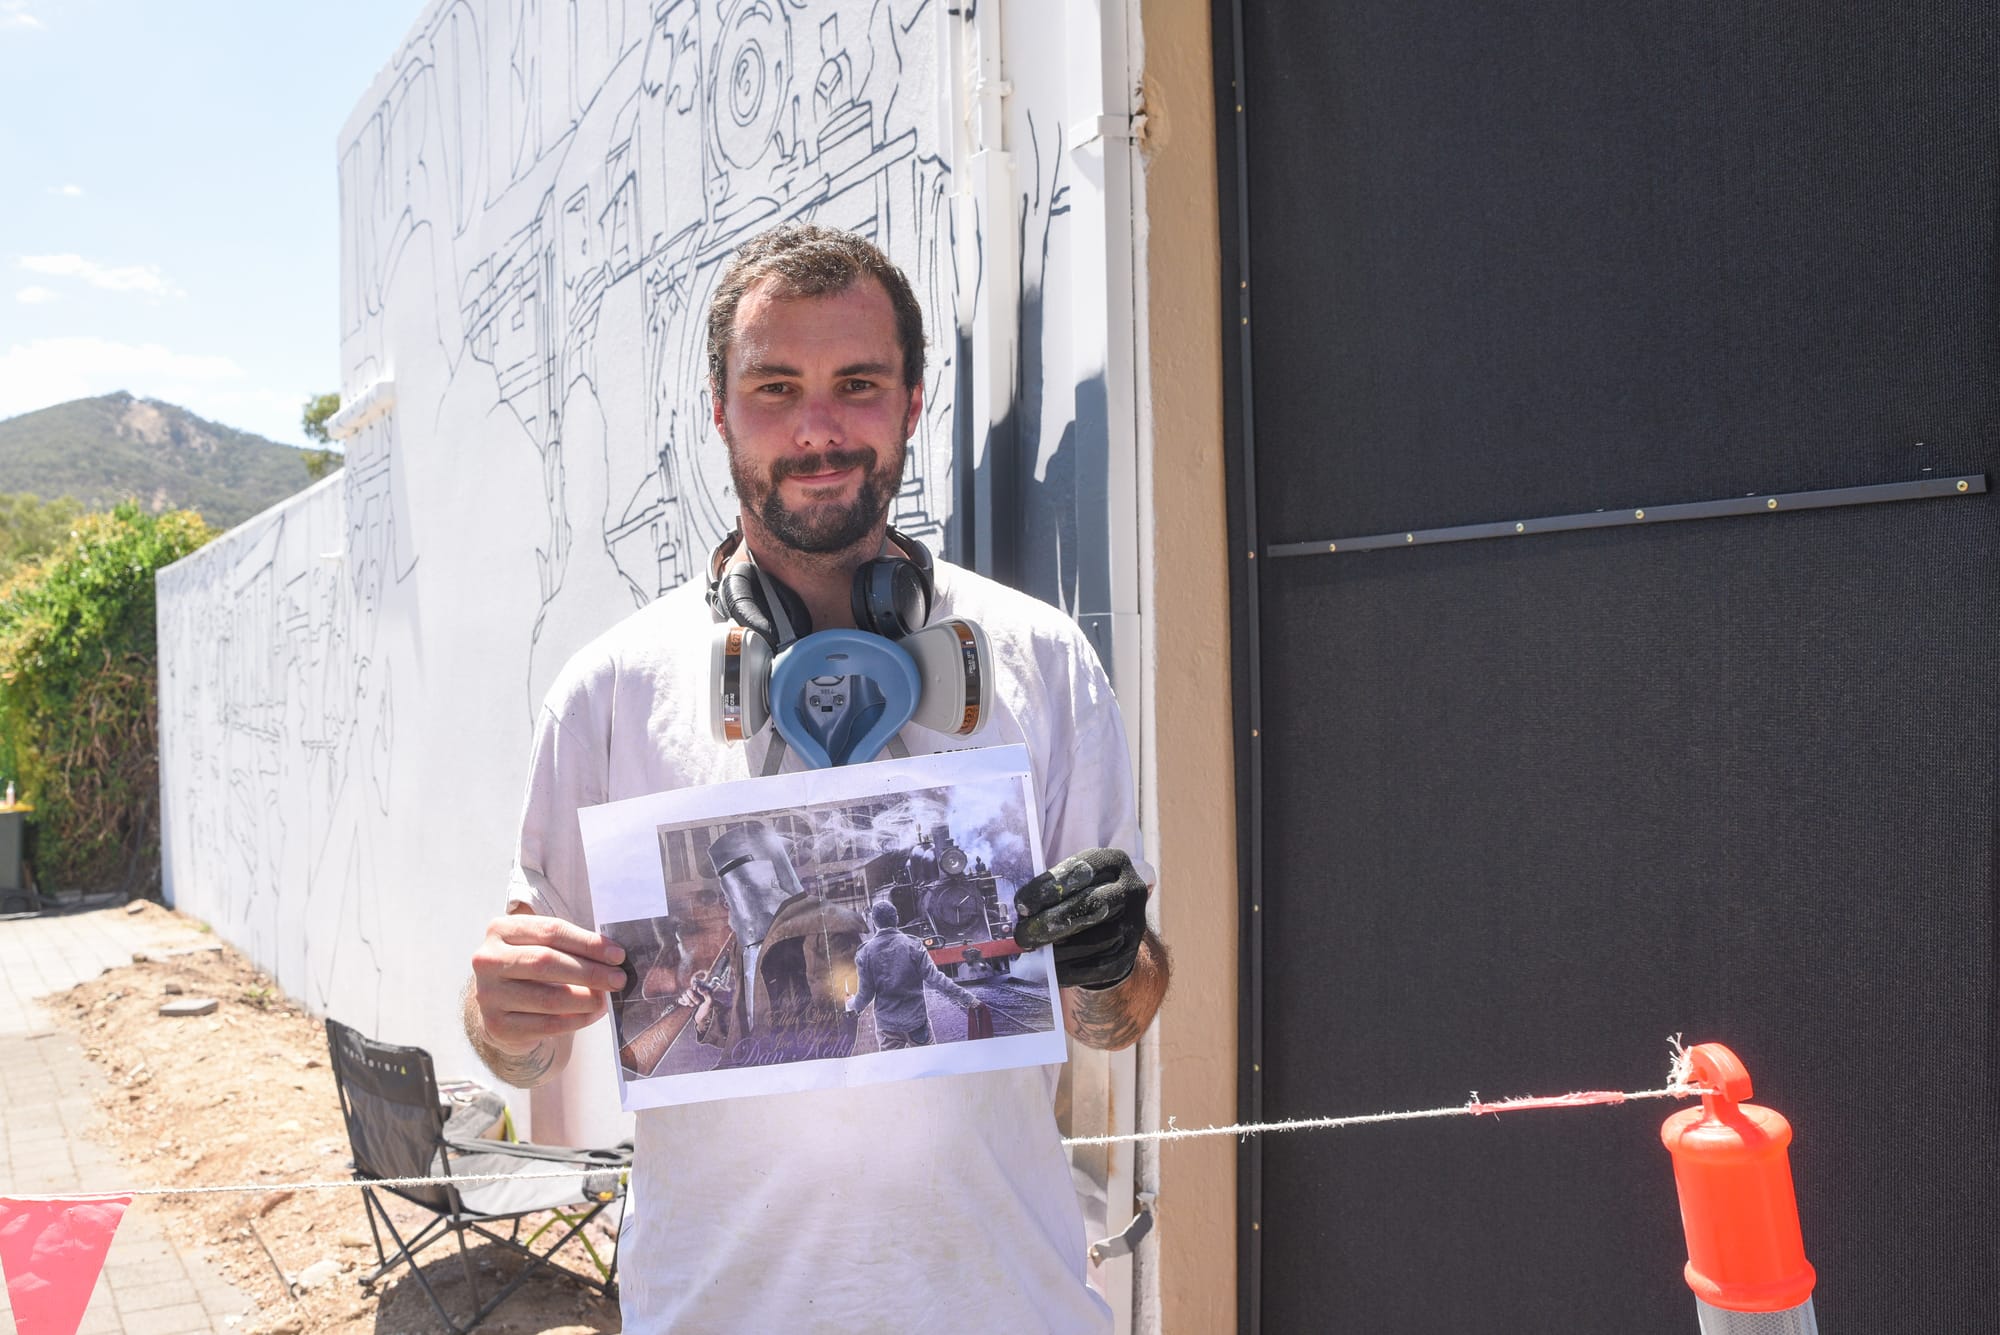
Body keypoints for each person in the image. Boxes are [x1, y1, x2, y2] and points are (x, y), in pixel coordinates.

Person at [465, 221, 1168, 1333]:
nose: (818, 427)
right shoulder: (608, 693)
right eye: (775, 387)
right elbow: (521, 1047)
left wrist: (1112, 961)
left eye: (858, 384)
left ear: (912, 402)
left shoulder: (1042, 662)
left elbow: (1113, 1021)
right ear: (719, 409)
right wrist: (502, 1011)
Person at [846, 898, 980, 1047]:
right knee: (928, 1059)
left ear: (874, 922)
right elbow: (936, 979)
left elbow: (866, 994)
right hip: (916, 1021)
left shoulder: (865, 953)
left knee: (893, 1062)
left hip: (887, 1027)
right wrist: (967, 998)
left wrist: (852, 1005)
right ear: (897, 919)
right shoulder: (913, 945)